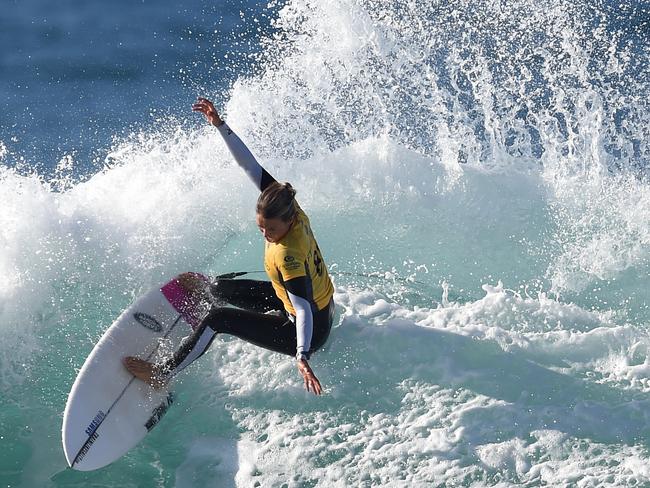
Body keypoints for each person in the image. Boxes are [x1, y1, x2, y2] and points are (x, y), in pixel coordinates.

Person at [123, 97, 335, 395]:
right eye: (261, 226)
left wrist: (301, 355)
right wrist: (220, 126)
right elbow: (250, 166)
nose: (266, 234)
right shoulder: (290, 206)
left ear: (287, 224)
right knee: (219, 287)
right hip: (313, 306)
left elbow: (302, 309)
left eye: (272, 230)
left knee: (217, 319)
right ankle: (211, 292)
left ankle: (163, 374)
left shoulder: (289, 255)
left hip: (308, 329)